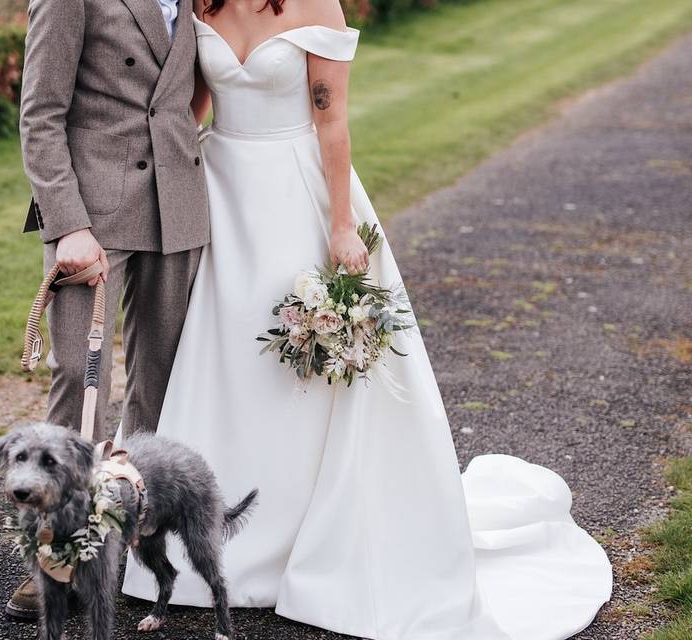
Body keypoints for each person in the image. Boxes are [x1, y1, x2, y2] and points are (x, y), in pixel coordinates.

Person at [121, 1, 614, 638]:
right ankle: (212, 544)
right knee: (225, 360)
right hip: (222, 199)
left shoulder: (312, 3)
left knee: (302, 373)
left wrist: (341, 225)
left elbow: (332, 121)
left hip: (297, 195)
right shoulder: (201, 4)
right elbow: (189, 113)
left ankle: (306, 541)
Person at [9, 0, 210, 620]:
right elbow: (41, 114)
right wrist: (68, 224)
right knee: (77, 378)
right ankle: (53, 558)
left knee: (161, 383)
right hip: (90, 213)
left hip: (177, 207)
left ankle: (121, 548)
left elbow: (187, 95)